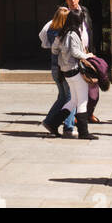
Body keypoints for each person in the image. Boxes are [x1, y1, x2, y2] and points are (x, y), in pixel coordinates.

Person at [48, 8, 96, 139]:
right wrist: (87, 56)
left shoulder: (62, 33)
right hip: (75, 71)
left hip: (66, 71)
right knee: (82, 101)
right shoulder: (72, 34)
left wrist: (63, 56)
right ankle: (84, 132)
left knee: (73, 100)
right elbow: (75, 52)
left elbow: (54, 48)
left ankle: (53, 123)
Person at [40, 7, 74, 137]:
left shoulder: (50, 30)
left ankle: (50, 121)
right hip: (64, 68)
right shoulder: (63, 33)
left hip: (55, 67)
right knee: (71, 97)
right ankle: (68, 126)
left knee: (63, 96)